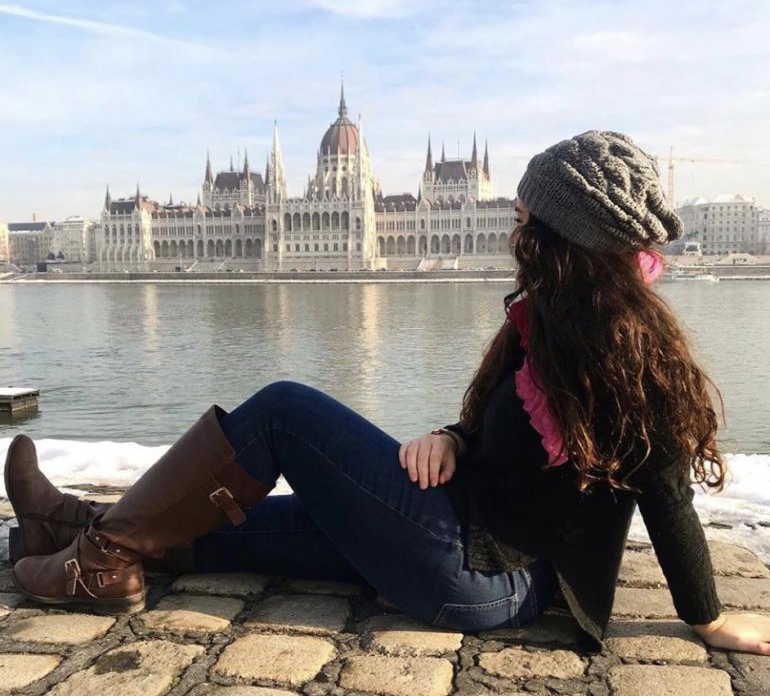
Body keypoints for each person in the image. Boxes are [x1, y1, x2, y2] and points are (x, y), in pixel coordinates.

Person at [5, 130, 769, 656]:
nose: (513, 225)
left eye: (525, 215)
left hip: (484, 575)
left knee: (284, 409)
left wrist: (706, 618)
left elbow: (668, 496)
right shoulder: (549, 320)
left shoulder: (626, 355)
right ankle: (68, 525)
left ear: (562, 236)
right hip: (462, 540)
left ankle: (98, 567)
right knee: (243, 528)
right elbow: (509, 438)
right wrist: (453, 436)